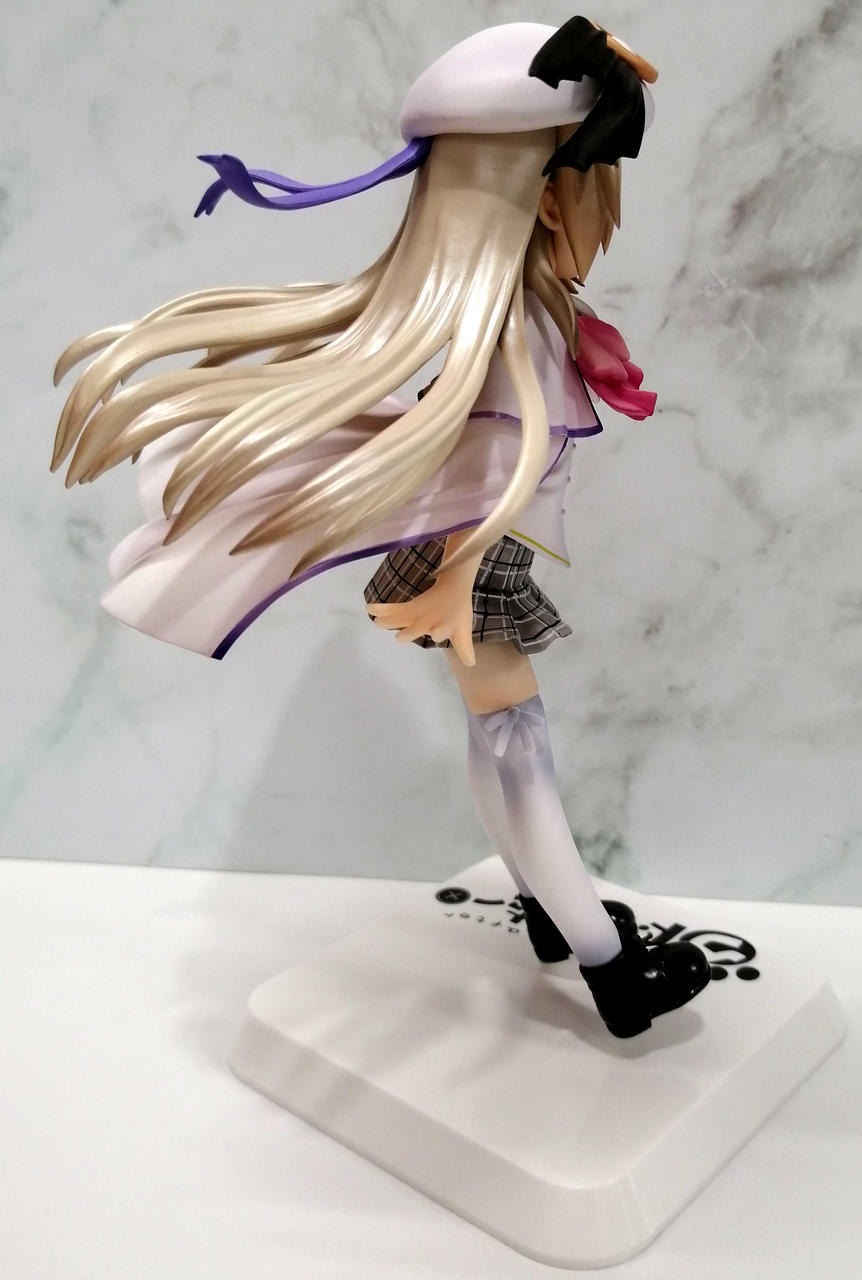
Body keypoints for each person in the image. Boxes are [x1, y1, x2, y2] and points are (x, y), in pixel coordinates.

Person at [51, 17, 709, 1037]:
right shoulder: (522, 326)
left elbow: (486, 445)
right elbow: (509, 457)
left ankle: (553, 914)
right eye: (597, 184)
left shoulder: (516, 311)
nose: (605, 209)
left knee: (502, 742)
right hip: (476, 564)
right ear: (546, 195)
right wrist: (458, 578)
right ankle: (610, 966)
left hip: (467, 556)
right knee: (518, 749)